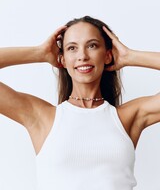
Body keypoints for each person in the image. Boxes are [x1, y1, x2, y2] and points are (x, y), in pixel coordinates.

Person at [0, 16, 160, 190]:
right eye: (72, 48)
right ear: (62, 59)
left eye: (92, 46)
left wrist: (130, 56)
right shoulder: (41, 117)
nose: (82, 56)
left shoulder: (129, 117)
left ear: (107, 55)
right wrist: (39, 53)